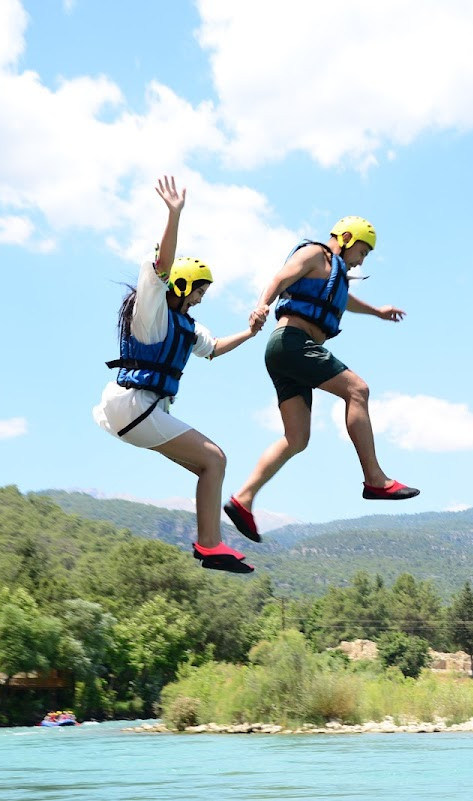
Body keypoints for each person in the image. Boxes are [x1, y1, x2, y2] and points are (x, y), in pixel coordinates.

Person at [94, 175, 264, 573]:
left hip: (141, 412)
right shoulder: (151, 312)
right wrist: (174, 215)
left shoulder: (187, 327)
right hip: (135, 406)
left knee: (208, 466)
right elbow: (161, 268)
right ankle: (210, 545)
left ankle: (210, 545)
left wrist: (251, 332)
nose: (201, 298)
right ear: (182, 285)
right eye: (199, 291)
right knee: (215, 458)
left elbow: (214, 348)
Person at [223, 216, 419, 542]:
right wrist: (261, 307)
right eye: (362, 251)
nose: (361, 261)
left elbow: (344, 299)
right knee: (358, 390)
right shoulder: (316, 254)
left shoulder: (335, 274)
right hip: (293, 342)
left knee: (297, 438)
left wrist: (377, 312)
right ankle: (375, 479)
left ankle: (243, 499)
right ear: (346, 237)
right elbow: (280, 278)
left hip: (287, 352)